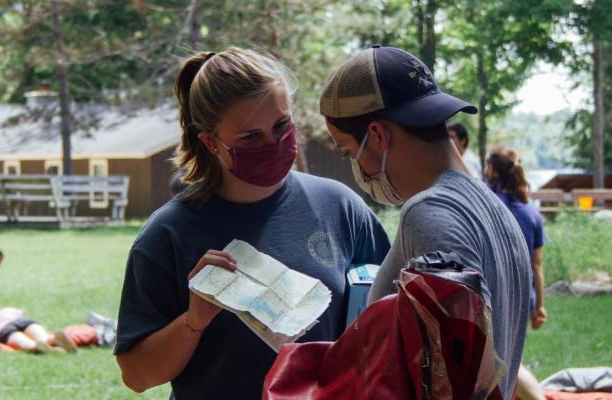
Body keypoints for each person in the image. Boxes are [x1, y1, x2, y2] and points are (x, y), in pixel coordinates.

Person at [115, 47, 391, 399]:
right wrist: (193, 320)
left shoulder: (340, 206)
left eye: (281, 126)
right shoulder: (168, 234)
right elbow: (137, 375)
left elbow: (389, 317)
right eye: (250, 137)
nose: (273, 144)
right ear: (210, 142)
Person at [319, 45, 531, 399]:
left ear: (376, 136)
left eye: (347, 151)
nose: (354, 166)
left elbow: (456, 380)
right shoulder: (493, 208)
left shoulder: (430, 213)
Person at [485, 146, 549, 400]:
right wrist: (539, 306)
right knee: (507, 357)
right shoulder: (531, 212)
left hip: (491, 292)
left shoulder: (487, 206)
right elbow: (537, 265)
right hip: (523, 297)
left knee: (503, 361)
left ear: (490, 169)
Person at [0, 307, 75, 353]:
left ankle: (36, 347)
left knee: (26, 344)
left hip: (3, 330)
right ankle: (53, 339)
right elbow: (22, 311)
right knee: (43, 337)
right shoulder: (6, 310)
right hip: (22, 321)